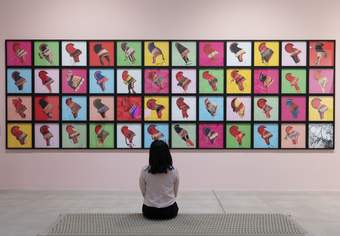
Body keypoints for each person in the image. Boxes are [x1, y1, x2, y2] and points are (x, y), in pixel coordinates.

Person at [139, 140, 179, 220]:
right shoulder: (174, 170)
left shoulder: (144, 170)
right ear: (167, 154)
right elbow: (175, 192)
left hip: (149, 211)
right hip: (169, 211)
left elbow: (143, 190)